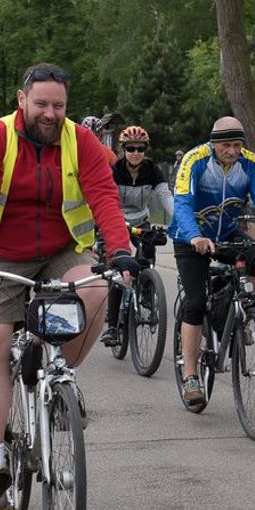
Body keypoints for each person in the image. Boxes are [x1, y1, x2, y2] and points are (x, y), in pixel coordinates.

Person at [0, 63, 139, 510]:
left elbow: (102, 195)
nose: (50, 113)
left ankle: (59, 369)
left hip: (61, 250)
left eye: (58, 105)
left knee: (97, 291)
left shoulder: (82, 141)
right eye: (41, 103)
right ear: (22, 101)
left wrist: (120, 249)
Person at [169, 116, 255, 406]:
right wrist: (193, 237)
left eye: (237, 145)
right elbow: (183, 202)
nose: (232, 151)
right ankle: (191, 375)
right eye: (226, 145)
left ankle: (245, 309)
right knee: (195, 303)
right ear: (214, 143)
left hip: (226, 233)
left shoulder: (250, 162)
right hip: (190, 238)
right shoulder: (195, 160)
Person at [99, 125, 175, 346]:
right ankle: (112, 327)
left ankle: (147, 291)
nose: (135, 153)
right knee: (118, 272)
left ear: (145, 150)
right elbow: (105, 197)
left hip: (141, 219)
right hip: (117, 220)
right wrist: (110, 224)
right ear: (123, 149)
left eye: (140, 149)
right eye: (130, 148)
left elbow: (165, 196)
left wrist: (180, 220)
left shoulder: (152, 170)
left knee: (146, 257)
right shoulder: (114, 170)